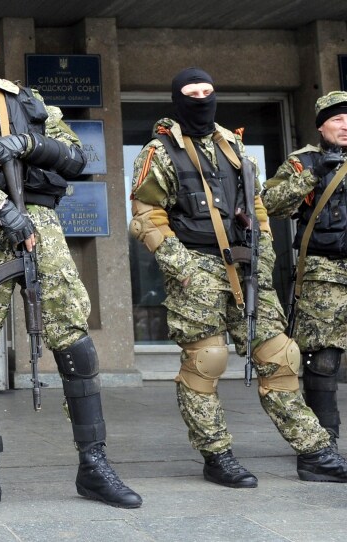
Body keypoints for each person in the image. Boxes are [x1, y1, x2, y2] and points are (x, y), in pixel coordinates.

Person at [0, 18, 142, 511]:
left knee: (75, 344)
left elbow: (79, 158)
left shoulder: (30, 102)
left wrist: (32, 144)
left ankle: (95, 464)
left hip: (42, 228)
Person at [129, 68, 347, 487]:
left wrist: (262, 261)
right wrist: (184, 268)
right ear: (178, 99)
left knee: (280, 356)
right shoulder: (160, 151)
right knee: (205, 363)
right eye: (192, 94)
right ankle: (217, 456)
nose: (201, 99)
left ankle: (315, 451)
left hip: (246, 269)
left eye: (207, 92)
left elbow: (259, 209)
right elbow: (147, 217)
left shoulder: (235, 147)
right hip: (197, 268)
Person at [262, 91, 347, 450]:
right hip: (323, 273)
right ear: (321, 126)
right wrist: (312, 176)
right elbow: (269, 204)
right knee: (322, 359)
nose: (346, 126)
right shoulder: (304, 162)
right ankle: (324, 444)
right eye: (337, 119)